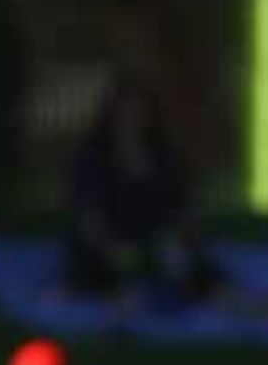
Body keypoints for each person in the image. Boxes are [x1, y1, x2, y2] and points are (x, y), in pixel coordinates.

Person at [63, 74, 226, 312]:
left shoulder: (165, 156)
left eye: (139, 112)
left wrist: (171, 239)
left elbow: (186, 209)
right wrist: (111, 247)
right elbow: (89, 215)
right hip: (109, 246)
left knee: (186, 260)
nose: (132, 119)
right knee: (96, 263)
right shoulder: (93, 158)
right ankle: (116, 302)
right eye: (126, 112)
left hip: (159, 244)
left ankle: (230, 301)